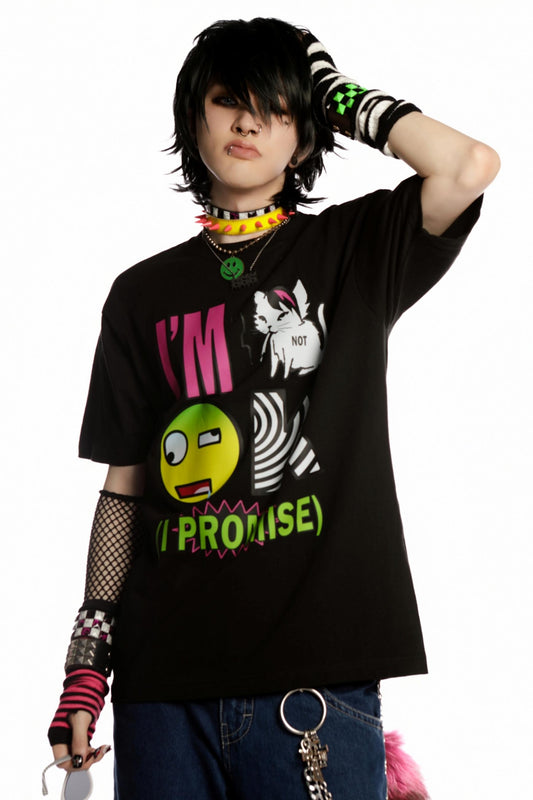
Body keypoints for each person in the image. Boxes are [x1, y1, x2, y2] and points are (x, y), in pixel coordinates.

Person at [47, 17, 499, 800]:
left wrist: (332, 90)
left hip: (312, 686)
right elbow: (124, 490)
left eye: (277, 108)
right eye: (228, 100)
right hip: (162, 691)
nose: (249, 123)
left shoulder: (354, 250)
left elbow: (467, 166)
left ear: (304, 133)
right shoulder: (140, 295)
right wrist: (86, 667)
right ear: (194, 117)